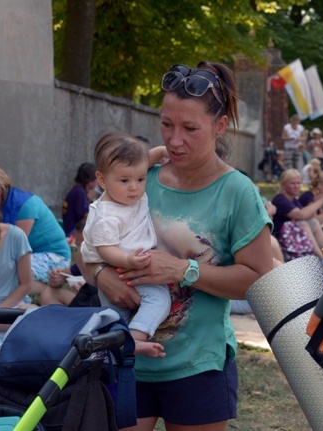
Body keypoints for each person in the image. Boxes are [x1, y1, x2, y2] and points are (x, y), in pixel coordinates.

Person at [77, 61, 273, 431]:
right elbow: (86, 248)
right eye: (166, 124)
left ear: (219, 127)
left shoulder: (238, 193)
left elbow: (259, 279)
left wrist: (184, 270)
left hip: (198, 366)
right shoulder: (137, 177)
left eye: (190, 128)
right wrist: (103, 278)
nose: (174, 139)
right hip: (126, 358)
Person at [81, 131, 170, 358]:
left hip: (127, 270)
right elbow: (105, 249)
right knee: (158, 300)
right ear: (102, 180)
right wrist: (128, 260)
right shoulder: (107, 215)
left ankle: (114, 346)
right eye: (124, 181)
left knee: (114, 316)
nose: (134, 187)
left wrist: (159, 152)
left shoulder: (127, 192)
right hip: (124, 268)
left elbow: (138, 163)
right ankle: (133, 340)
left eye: (141, 180)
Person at [0, 164, 70, 298]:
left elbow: (14, 248)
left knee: (9, 273)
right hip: (29, 254)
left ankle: (45, 289)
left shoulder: (25, 205)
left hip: (54, 256)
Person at [271, 168, 323, 269]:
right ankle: (322, 259)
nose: (297, 186)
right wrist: (322, 201)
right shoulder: (280, 199)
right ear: (283, 185)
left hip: (295, 235)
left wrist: (317, 200)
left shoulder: (294, 199)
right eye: (293, 183)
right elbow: (301, 215)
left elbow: (311, 216)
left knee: (313, 222)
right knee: (304, 224)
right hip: (282, 237)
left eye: (298, 183)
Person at [62, 162, 98, 236]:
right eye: (97, 179)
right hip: (74, 234)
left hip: (69, 230)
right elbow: (86, 216)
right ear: (90, 181)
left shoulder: (76, 191)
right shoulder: (79, 193)